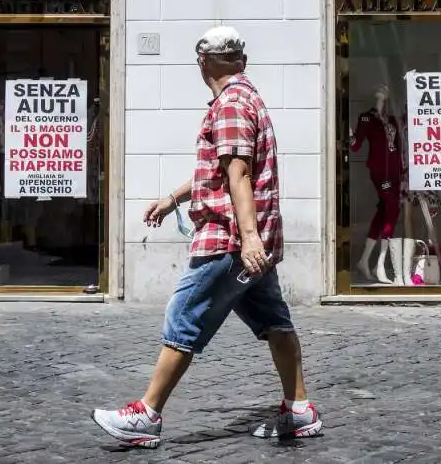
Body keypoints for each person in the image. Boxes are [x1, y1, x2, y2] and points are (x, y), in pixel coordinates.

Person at [91, 26, 322, 448]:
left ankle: (146, 415)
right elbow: (219, 172)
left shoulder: (231, 104)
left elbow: (239, 173)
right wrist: (173, 198)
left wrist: (248, 238)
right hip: (251, 242)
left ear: (204, 62)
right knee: (274, 320)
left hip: (228, 240)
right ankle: (300, 408)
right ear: (240, 61)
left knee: (184, 316)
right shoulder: (246, 97)